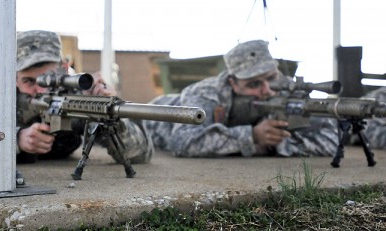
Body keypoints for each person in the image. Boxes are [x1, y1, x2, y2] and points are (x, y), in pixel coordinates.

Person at [0, 30, 153, 181]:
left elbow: (140, 154)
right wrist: (13, 139)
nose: (40, 89)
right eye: (28, 81)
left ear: (64, 69)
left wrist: (110, 114)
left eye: (47, 79)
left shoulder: (75, 96)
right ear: (12, 77)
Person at [140, 40, 339, 157]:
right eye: (254, 84)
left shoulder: (289, 88)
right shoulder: (206, 92)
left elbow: (332, 140)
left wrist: (275, 144)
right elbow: (181, 141)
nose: (267, 90)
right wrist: (251, 136)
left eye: (271, 78)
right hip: (153, 121)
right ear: (233, 82)